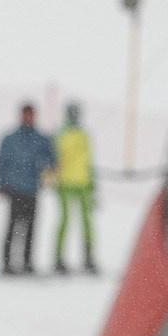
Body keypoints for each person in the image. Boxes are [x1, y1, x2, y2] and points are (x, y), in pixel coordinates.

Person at [0, 103, 56, 276]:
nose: (28, 117)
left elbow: (51, 159)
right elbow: (1, 162)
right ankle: (7, 262)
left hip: (32, 189)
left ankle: (27, 262)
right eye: (25, 114)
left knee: (31, 228)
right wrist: (0, 184)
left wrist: (49, 173)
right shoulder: (10, 138)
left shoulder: (41, 138)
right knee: (12, 226)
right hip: (14, 189)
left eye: (31, 114)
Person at [51, 101, 98, 275]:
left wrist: (93, 183)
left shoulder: (84, 135)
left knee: (86, 222)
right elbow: (54, 159)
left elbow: (89, 160)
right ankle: (58, 257)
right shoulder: (60, 134)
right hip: (64, 183)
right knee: (65, 220)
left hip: (83, 183)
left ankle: (88, 257)